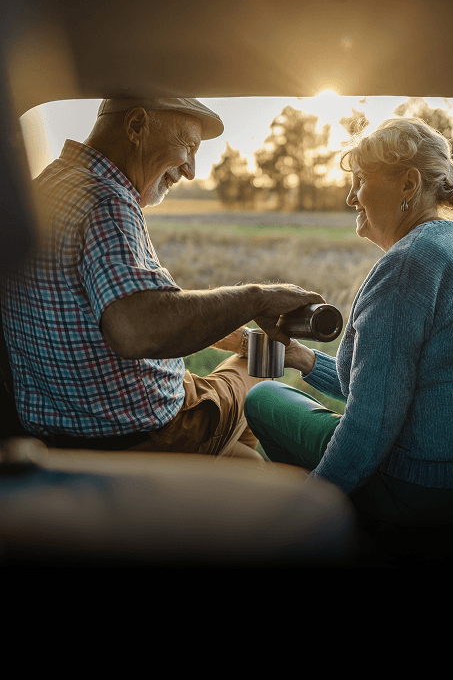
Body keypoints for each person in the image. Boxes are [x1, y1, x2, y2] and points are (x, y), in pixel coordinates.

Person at [244, 115, 453, 527]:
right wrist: (304, 359)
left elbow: (369, 427)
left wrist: (305, 509)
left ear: (408, 185)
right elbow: (386, 387)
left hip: (426, 491)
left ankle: (347, 520)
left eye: (360, 179)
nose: (350, 197)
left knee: (263, 399)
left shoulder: (407, 268)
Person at [0, 97, 322, 460]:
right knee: (259, 368)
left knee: (242, 451)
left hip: (65, 429)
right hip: (151, 435)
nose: (191, 171)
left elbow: (126, 307)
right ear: (137, 126)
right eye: (190, 146)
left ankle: (235, 472)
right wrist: (257, 298)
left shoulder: (46, 186)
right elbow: (137, 328)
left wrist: (238, 337)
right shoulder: (107, 199)